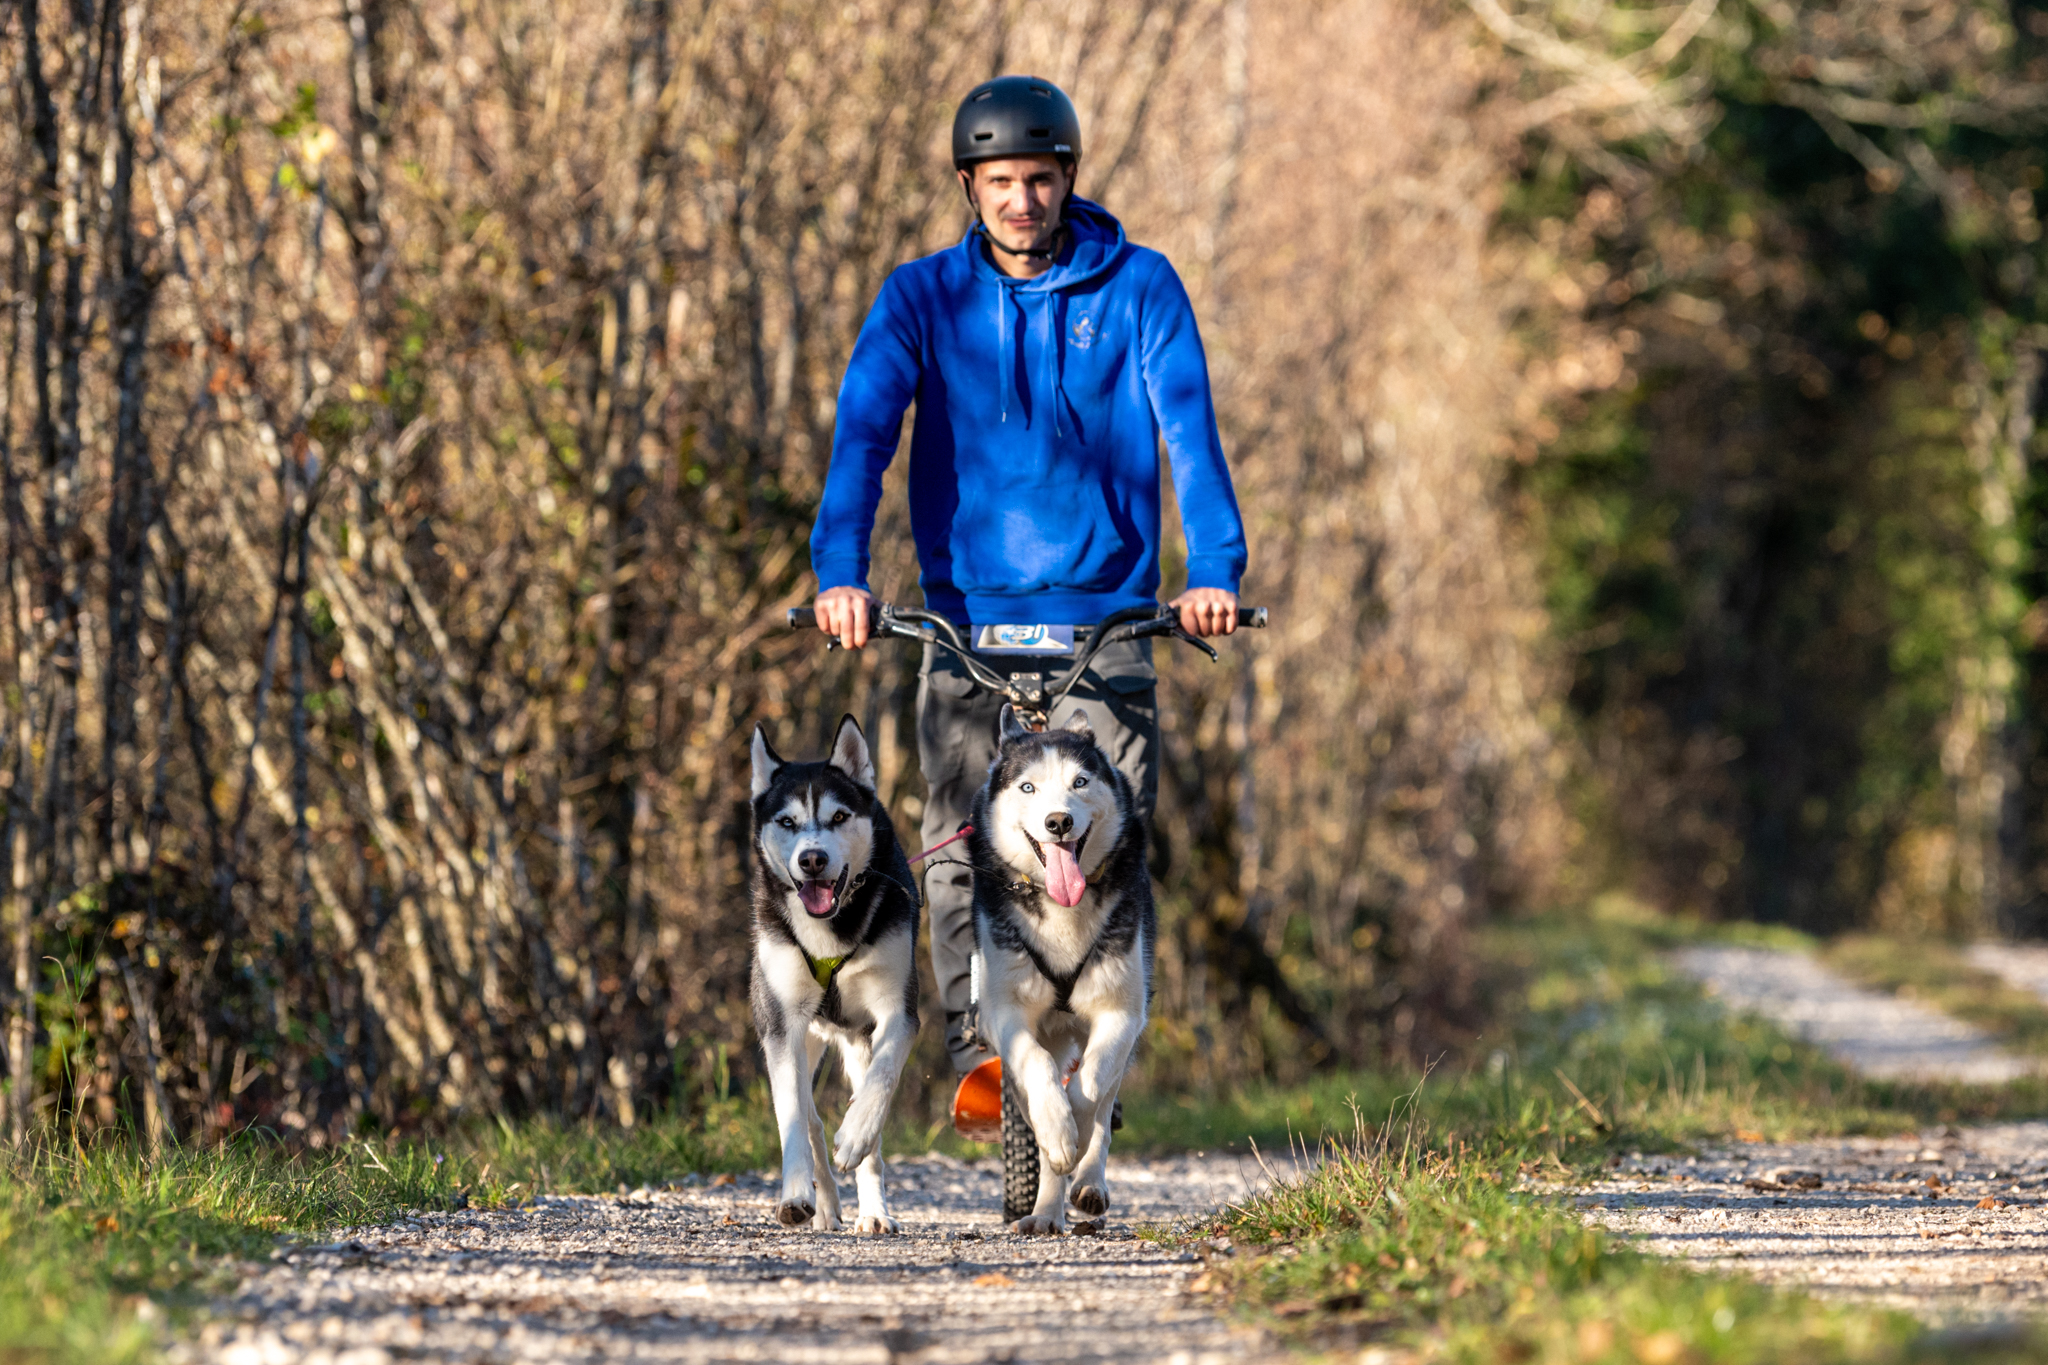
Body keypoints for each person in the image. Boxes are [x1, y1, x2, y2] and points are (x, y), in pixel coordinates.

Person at [808, 75, 1247, 1079]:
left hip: (1107, 619)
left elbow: (1189, 433)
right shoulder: (920, 298)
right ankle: (980, 1038)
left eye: (1039, 179)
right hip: (966, 620)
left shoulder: (1140, 288)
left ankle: (1099, 1035)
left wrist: (1213, 571)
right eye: (999, 180)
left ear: (1069, 177)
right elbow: (864, 436)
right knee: (958, 836)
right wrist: (840, 573)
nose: (1021, 199)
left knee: (1108, 839)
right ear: (968, 185)